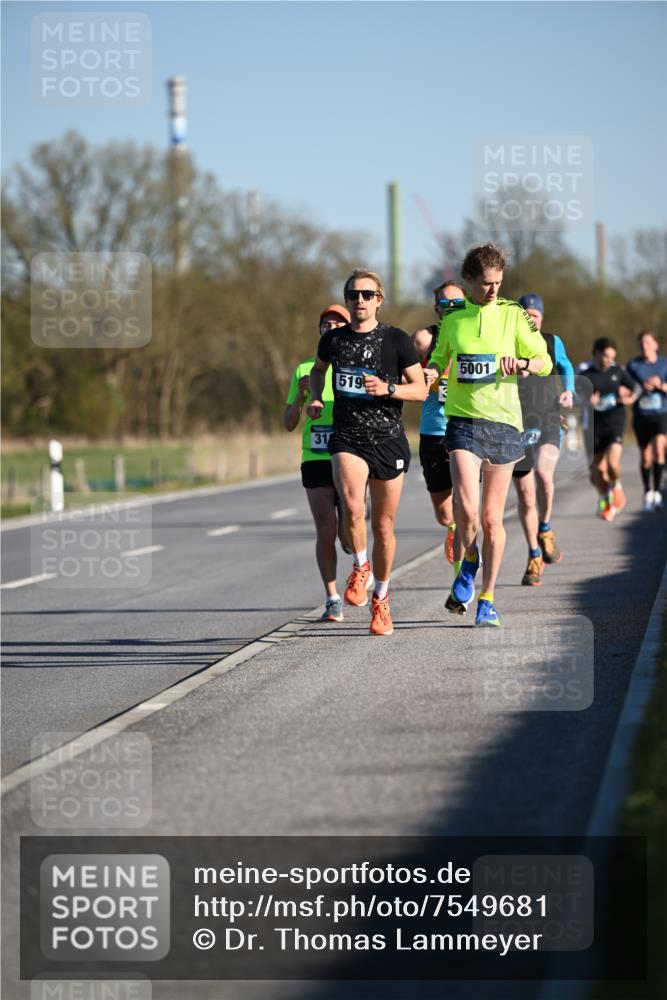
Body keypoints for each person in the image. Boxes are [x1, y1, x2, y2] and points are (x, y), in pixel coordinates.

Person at [424, 244, 552, 627]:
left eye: (498, 283)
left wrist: (525, 361)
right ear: (468, 280)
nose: (493, 290)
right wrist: (431, 371)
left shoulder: (514, 315)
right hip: (463, 422)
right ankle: (470, 557)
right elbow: (439, 357)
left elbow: (544, 361)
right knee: (466, 511)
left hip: (505, 426)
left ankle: (488, 597)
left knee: (493, 519)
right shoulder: (453, 318)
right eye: (485, 284)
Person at [308, 269, 426, 636]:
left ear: (379, 299)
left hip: (388, 440)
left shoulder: (396, 340)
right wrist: (314, 395)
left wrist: (388, 388)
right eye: (352, 294)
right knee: (354, 506)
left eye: (366, 294)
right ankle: (360, 565)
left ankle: (382, 599)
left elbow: (420, 390)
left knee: (384, 527)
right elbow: (318, 370)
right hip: (347, 438)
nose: (359, 300)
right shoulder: (334, 340)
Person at [284, 304, 351, 622]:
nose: (331, 327)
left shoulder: (355, 366)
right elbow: (286, 423)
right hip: (316, 456)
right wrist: (299, 398)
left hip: (352, 454)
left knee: (348, 530)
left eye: (338, 323)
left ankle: (357, 557)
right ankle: (332, 597)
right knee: (325, 530)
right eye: (326, 323)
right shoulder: (305, 369)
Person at [511, 293, 575, 586]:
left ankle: (545, 528)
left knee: (544, 477)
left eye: (535, 315)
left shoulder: (552, 341)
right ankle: (534, 554)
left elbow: (566, 366)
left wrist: (569, 391)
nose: (530, 319)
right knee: (525, 497)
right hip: (515, 423)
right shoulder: (507, 341)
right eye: (526, 314)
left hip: (549, 417)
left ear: (542, 318)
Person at [413, 280, 466, 574]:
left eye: (457, 302)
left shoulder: (474, 335)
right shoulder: (424, 339)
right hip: (433, 431)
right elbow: (405, 369)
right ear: (436, 309)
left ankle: (462, 566)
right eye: (445, 303)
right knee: (444, 511)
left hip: (466, 430)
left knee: (466, 503)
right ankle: (452, 527)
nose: (451, 308)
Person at [579, 337, 635, 521]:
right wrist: (588, 401)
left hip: (614, 423)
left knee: (612, 464)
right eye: (605, 356)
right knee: (596, 473)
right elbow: (575, 397)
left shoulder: (618, 372)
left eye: (612, 357)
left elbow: (635, 390)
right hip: (593, 426)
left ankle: (616, 486)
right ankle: (605, 498)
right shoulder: (585, 374)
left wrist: (628, 396)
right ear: (595, 353)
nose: (608, 360)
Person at [626, 330, 667, 511]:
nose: (645, 346)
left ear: (656, 345)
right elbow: (625, 387)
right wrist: (632, 390)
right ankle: (647, 491)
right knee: (645, 457)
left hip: (661, 414)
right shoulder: (633, 366)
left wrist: (660, 385)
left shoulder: (665, 364)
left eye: (648, 342)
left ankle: (658, 492)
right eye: (642, 343)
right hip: (641, 415)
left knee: (659, 449)